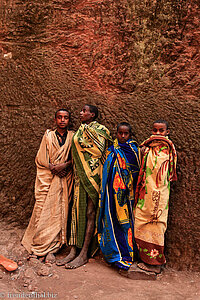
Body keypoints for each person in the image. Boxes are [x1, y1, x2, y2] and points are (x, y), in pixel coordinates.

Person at [56, 104, 112, 269]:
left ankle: (84, 253)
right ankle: (73, 250)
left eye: (84, 111)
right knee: (76, 212)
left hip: (94, 176)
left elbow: (98, 151)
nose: (80, 113)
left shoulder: (101, 130)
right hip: (80, 176)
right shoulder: (80, 130)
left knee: (90, 212)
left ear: (92, 115)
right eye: (81, 111)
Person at [22, 109, 74, 263]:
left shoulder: (73, 137)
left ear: (69, 120)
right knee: (42, 210)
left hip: (65, 179)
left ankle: (52, 248)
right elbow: (40, 159)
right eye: (59, 117)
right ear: (55, 119)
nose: (62, 120)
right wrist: (53, 167)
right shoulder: (48, 136)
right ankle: (39, 245)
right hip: (48, 178)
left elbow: (76, 158)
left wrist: (65, 165)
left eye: (65, 118)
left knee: (59, 212)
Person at [134, 120, 177, 274]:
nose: (158, 134)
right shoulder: (146, 148)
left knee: (156, 225)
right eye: (155, 130)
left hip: (159, 197)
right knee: (140, 220)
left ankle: (155, 263)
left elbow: (163, 173)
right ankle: (145, 259)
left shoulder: (168, 150)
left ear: (167, 132)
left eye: (161, 131)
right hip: (145, 196)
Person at [98, 122, 140, 270]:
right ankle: (114, 254)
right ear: (116, 133)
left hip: (126, 197)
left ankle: (128, 253)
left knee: (126, 224)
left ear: (130, 135)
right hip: (110, 194)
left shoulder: (133, 151)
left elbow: (136, 173)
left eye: (125, 133)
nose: (122, 136)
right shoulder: (111, 150)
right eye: (120, 133)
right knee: (111, 221)